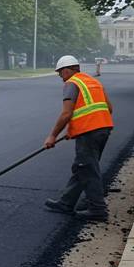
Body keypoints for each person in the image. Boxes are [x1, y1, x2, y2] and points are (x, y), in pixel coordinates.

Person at [43, 54, 114, 221]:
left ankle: (97, 209)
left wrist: (52, 136)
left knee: (88, 170)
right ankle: (66, 202)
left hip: (90, 132)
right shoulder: (93, 82)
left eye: (60, 73)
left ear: (67, 70)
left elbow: (67, 113)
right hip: (103, 129)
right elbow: (108, 108)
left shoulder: (72, 83)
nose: (60, 77)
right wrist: (77, 128)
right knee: (82, 167)